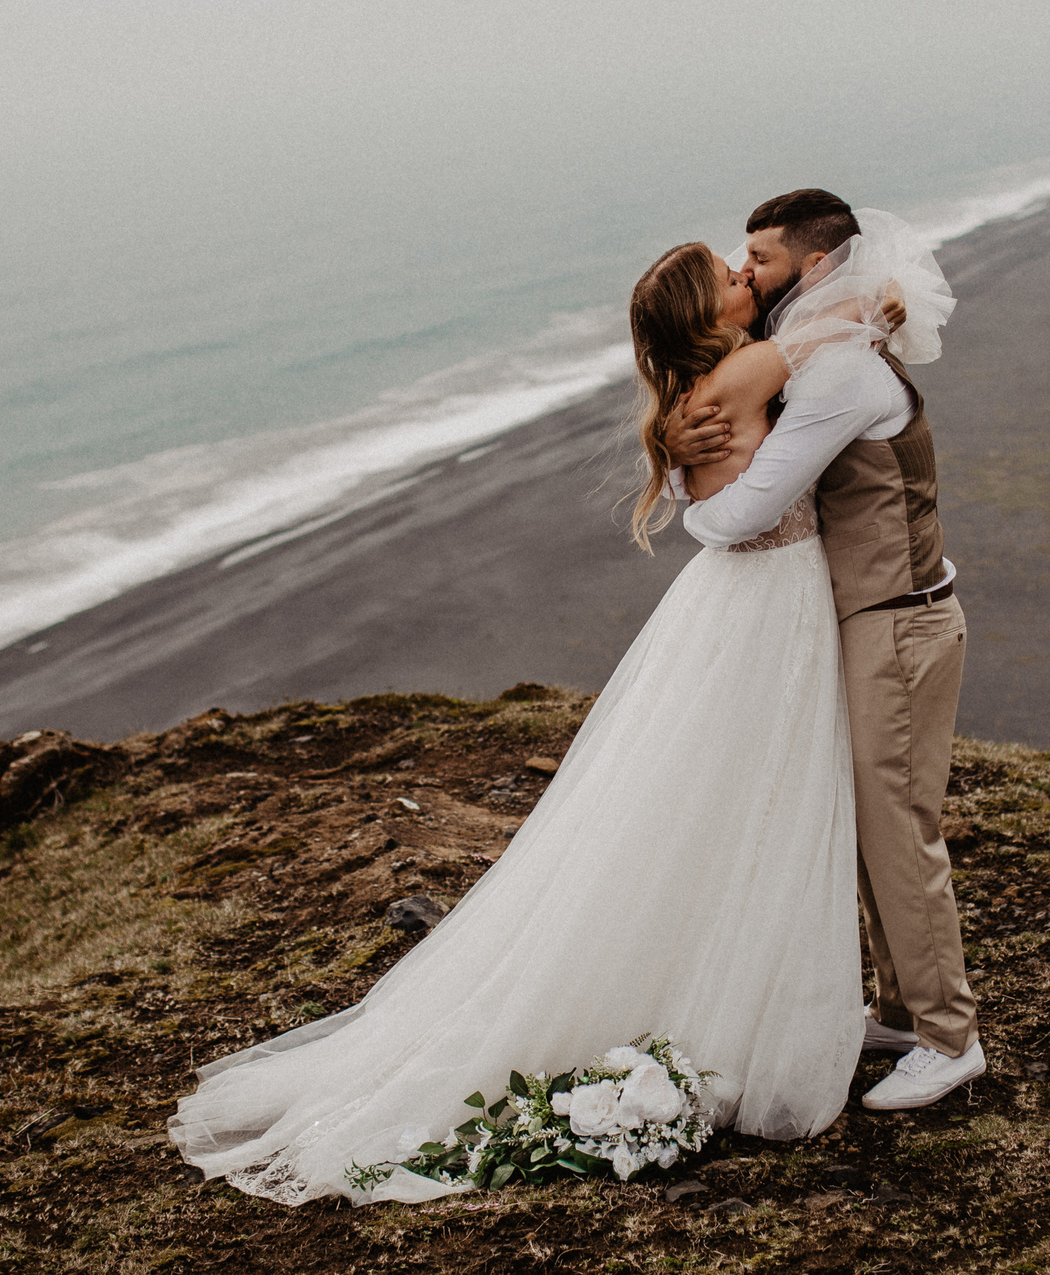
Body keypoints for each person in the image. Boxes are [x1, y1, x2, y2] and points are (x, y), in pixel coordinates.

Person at [167, 228, 950, 1205]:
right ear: (708, 320)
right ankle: (773, 1007)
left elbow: (717, 465)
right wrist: (857, 291)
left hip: (734, 604)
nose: (747, 279)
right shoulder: (747, 369)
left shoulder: (691, 396)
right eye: (729, 277)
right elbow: (851, 316)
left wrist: (674, 449)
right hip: (770, 603)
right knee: (769, 796)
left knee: (718, 799)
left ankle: (781, 991)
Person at [663, 190, 983, 1112]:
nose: (742, 268)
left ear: (806, 266)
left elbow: (749, 510)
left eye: (756, 256)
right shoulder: (825, 340)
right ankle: (903, 1009)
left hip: (899, 620)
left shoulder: (840, 372)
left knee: (898, 830)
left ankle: (950, 1039)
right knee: (870, 824)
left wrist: (690, 497)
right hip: (876, 617)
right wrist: (676, 435)